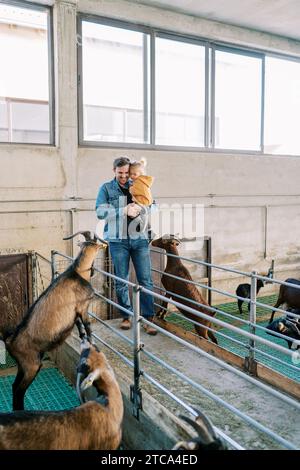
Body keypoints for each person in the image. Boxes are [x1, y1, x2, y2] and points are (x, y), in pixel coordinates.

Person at [95, 156, 157, 335]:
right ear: (114, 171)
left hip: (140, 238)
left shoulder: (140, 184)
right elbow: (100, 212)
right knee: (121, 280)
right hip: (117, 240)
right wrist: (123, 210)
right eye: (120, 173)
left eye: (126, 173)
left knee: (145, 280)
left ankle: (148, 318)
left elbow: (154, 206)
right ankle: (126, 316)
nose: (124, 176)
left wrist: (141, 209)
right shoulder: (106, 189)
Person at [129, 158, 154, 233]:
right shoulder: (142, 180)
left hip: (142, 202)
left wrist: (130, 188)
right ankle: (147, 229)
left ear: (140, 173)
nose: (132, 176)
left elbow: (135, 190)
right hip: (144, 202)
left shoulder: (139, 181)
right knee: (143, 215)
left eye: (134, 174)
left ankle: (144, 230)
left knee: (143, 215)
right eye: (130, 174)